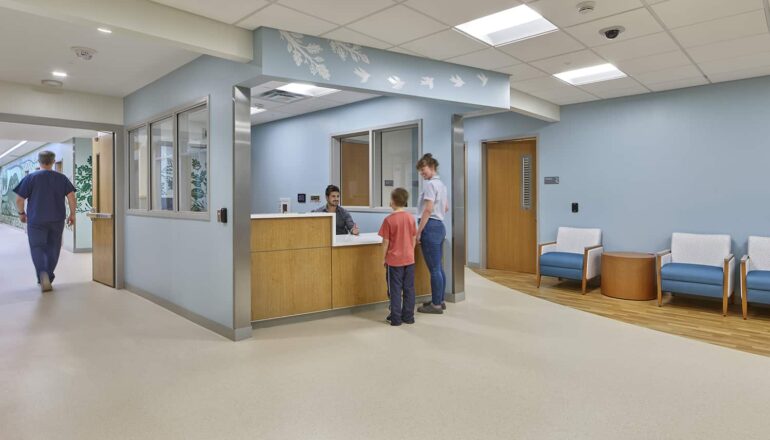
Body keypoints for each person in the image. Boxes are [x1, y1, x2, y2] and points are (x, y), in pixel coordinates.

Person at [13, 150, 76, 292]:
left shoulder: (30, 178)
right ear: (53, 161)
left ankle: (42, 273)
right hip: (57, 220)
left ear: (39, 161)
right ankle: (48, 275)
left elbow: (19, 199)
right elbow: (71, 197)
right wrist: (72, 214)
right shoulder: (62, 178)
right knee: (54, 247)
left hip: (36, 220)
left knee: (37, 247)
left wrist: (21, 213)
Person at [415, 153, 449, 315]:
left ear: (432, 167)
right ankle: (440, 300)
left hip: (430, 226)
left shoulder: (429, 185)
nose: (422, 173)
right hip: (440, 226)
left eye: (423, 169)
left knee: (434, 268)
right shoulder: (442, 185)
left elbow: (427, 209)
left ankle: (435, 305)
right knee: (438, 267)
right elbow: (446, 207)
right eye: (420, 171)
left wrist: (418, 232)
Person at [378, 188, 417, 326]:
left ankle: (396, 319)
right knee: (409, 289)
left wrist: (383, 258)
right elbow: (413, 238)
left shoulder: (388, 220)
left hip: (394, 262)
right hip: (409, 260)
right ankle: (409, 317)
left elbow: (385, 242)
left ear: (392, 201)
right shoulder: (410, 218)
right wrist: (409, 252)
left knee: (395, 290)